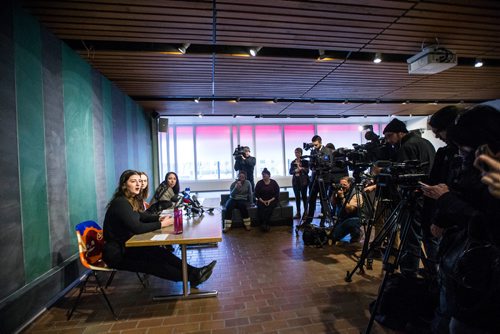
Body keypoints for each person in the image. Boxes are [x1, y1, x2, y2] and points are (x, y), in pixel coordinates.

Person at [421, 105, 500, 334]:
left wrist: (446, 199)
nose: (472, 162)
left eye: (467, 151)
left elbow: (487, 224)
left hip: (485, 284)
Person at [102, 170, 216, 287]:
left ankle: (195, 271)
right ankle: (192, 277)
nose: (138, 184)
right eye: (133, 181)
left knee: (160, 252)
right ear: (124, 185)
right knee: (153, 264)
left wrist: (159, 218)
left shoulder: (131, 200)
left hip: (127, 247)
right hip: (117, 254)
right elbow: (138, 228)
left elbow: (142, 215)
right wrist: (162, 224)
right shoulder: (120, 203)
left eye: (139, 181)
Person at [383, 118, 436, 277]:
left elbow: (402, 176)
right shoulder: (425, 142)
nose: (388, 140)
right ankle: (435, 272)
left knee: (411, 237)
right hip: (430, 196)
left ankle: (409, 274)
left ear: (401, 133)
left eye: (390, 135)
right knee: (430, 236)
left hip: (414, 197)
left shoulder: (406, 146)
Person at [303, 135, 336, 226]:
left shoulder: (328, 151)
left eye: (316, 145)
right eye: (314, 145)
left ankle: (323, 221)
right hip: (314, 179)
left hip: (324, 179)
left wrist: (321, 163)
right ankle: (309, 220)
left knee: (323, 201)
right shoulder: (313, 151)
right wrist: (312, 165)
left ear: (320, 142)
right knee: (311, 199)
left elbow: (330, 165)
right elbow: (310, 165)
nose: (314, 147)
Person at [331, 176, 365, 244]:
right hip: (343, 218)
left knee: (350, 223)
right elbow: (333, 204)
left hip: (355, 218)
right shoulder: (341, 192)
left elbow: (349, 210)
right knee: (334, 236)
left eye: (344, 185)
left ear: (350, 184)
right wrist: (334, 194)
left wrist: (342, 197)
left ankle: (357, 233)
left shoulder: (356, 194)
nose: (342, 187)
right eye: (341, 184)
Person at [289, 147, 309, 219]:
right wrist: (296, 170)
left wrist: (302, 169)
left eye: (298, 152)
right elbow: (290, 172)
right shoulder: (293, 162)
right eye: (295, 152)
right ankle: (298, 213)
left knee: (304, 198)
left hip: (303, 181)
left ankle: (306, 213)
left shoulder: (305, 161)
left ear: (301, 153)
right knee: (297, 198)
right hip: (295, 182)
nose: (297, 154)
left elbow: (307, 171)